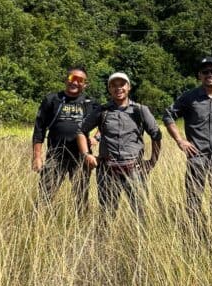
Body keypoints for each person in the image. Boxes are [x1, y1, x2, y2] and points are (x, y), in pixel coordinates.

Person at [164, 57, 212, 237]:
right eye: (205, 72)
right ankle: (195, 235)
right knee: (193, 198)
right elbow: (168, 116)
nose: (210, 75)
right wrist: (180, 140)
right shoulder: (189, 97)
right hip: (196, 155)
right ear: (199, 75)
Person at [78, 72, 162, 220]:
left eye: (122, 84)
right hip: (107, 170)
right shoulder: (102, 111)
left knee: (140, 213)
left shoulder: (140, 110)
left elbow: (156, 135)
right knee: (107, 213)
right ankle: (106, 242)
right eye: (114, 85)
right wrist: (86, 154)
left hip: (134, 169)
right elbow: (81, 131)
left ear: (128, 87)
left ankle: (140, 242)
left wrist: (152, 162)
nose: (118, 88)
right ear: (109, 89)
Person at [31, 66, 96, 214]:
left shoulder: (90, 103)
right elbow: (39, 129)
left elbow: (105, 119)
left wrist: (96, 137)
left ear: (85, 84)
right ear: (66, 79)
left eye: (80, 80)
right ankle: (37, 226)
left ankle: (81, 227)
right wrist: (37, 157)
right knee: (45, 194)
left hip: (80, 157)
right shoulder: (52, 100)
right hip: (56, 155)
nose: (75, 82)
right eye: (72, 78)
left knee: (81, 195)